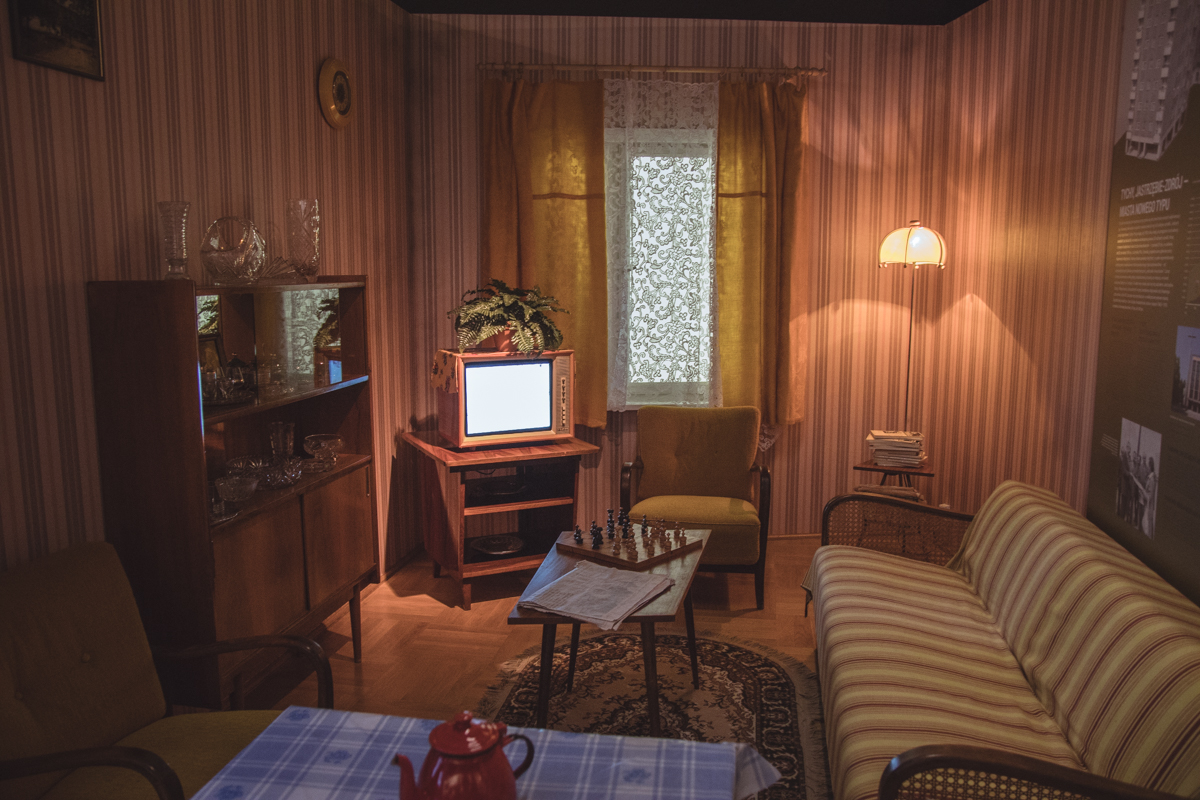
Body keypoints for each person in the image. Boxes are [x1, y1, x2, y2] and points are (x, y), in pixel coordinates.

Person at [1141, 457, 1158, 538]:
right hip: (1149, 507)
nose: (1147, 468)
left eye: (1148, 466)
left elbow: (1149, 497)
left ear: (1150, 467)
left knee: (1147, 529)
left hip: (1149, 507)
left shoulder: (1151, 480)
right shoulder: (1151, 478)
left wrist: (1142, 492)